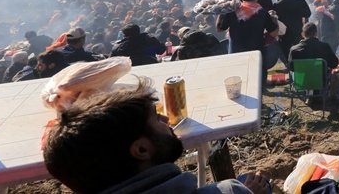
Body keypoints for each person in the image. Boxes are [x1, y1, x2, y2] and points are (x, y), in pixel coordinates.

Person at [43, 78, 268, 194]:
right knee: (255, 182)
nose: (166, 121)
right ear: (141, 149)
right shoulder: (230, 191)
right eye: (156, 118)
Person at [272, 0, 312, 64]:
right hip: (299, 31)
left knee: (287, 54)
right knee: (300, 52)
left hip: (284, 34)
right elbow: (308, 14)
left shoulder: (277, 4)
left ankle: (291, 69)